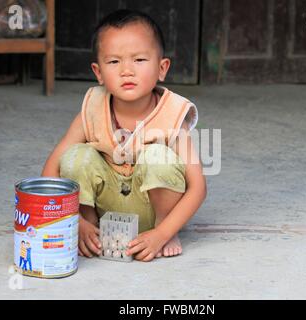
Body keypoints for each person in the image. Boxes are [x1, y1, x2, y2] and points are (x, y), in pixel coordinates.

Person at [41, 9, 207, 262]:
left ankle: (162, 231)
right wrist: (72, 218)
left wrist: (163, 232)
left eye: (139, 60)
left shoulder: (173, 114)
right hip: (104, 208)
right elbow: (52, 169)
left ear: (162, 68)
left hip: (154, 212)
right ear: (98, 73)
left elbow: (198, 187)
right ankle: (90, 228)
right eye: (114, 62)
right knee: (77, 156)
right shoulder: (93, 108)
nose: (126, 70)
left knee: (157, 156)